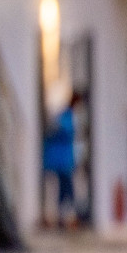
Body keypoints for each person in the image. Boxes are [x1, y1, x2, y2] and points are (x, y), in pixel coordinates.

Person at [42, 91, 79, 228]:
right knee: (65, 190)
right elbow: (62, 132)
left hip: (63, 161)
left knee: (65, 190)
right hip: (61, 162)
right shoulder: (65, 118)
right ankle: (62, 217)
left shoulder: (65, 117)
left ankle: (62, 216)